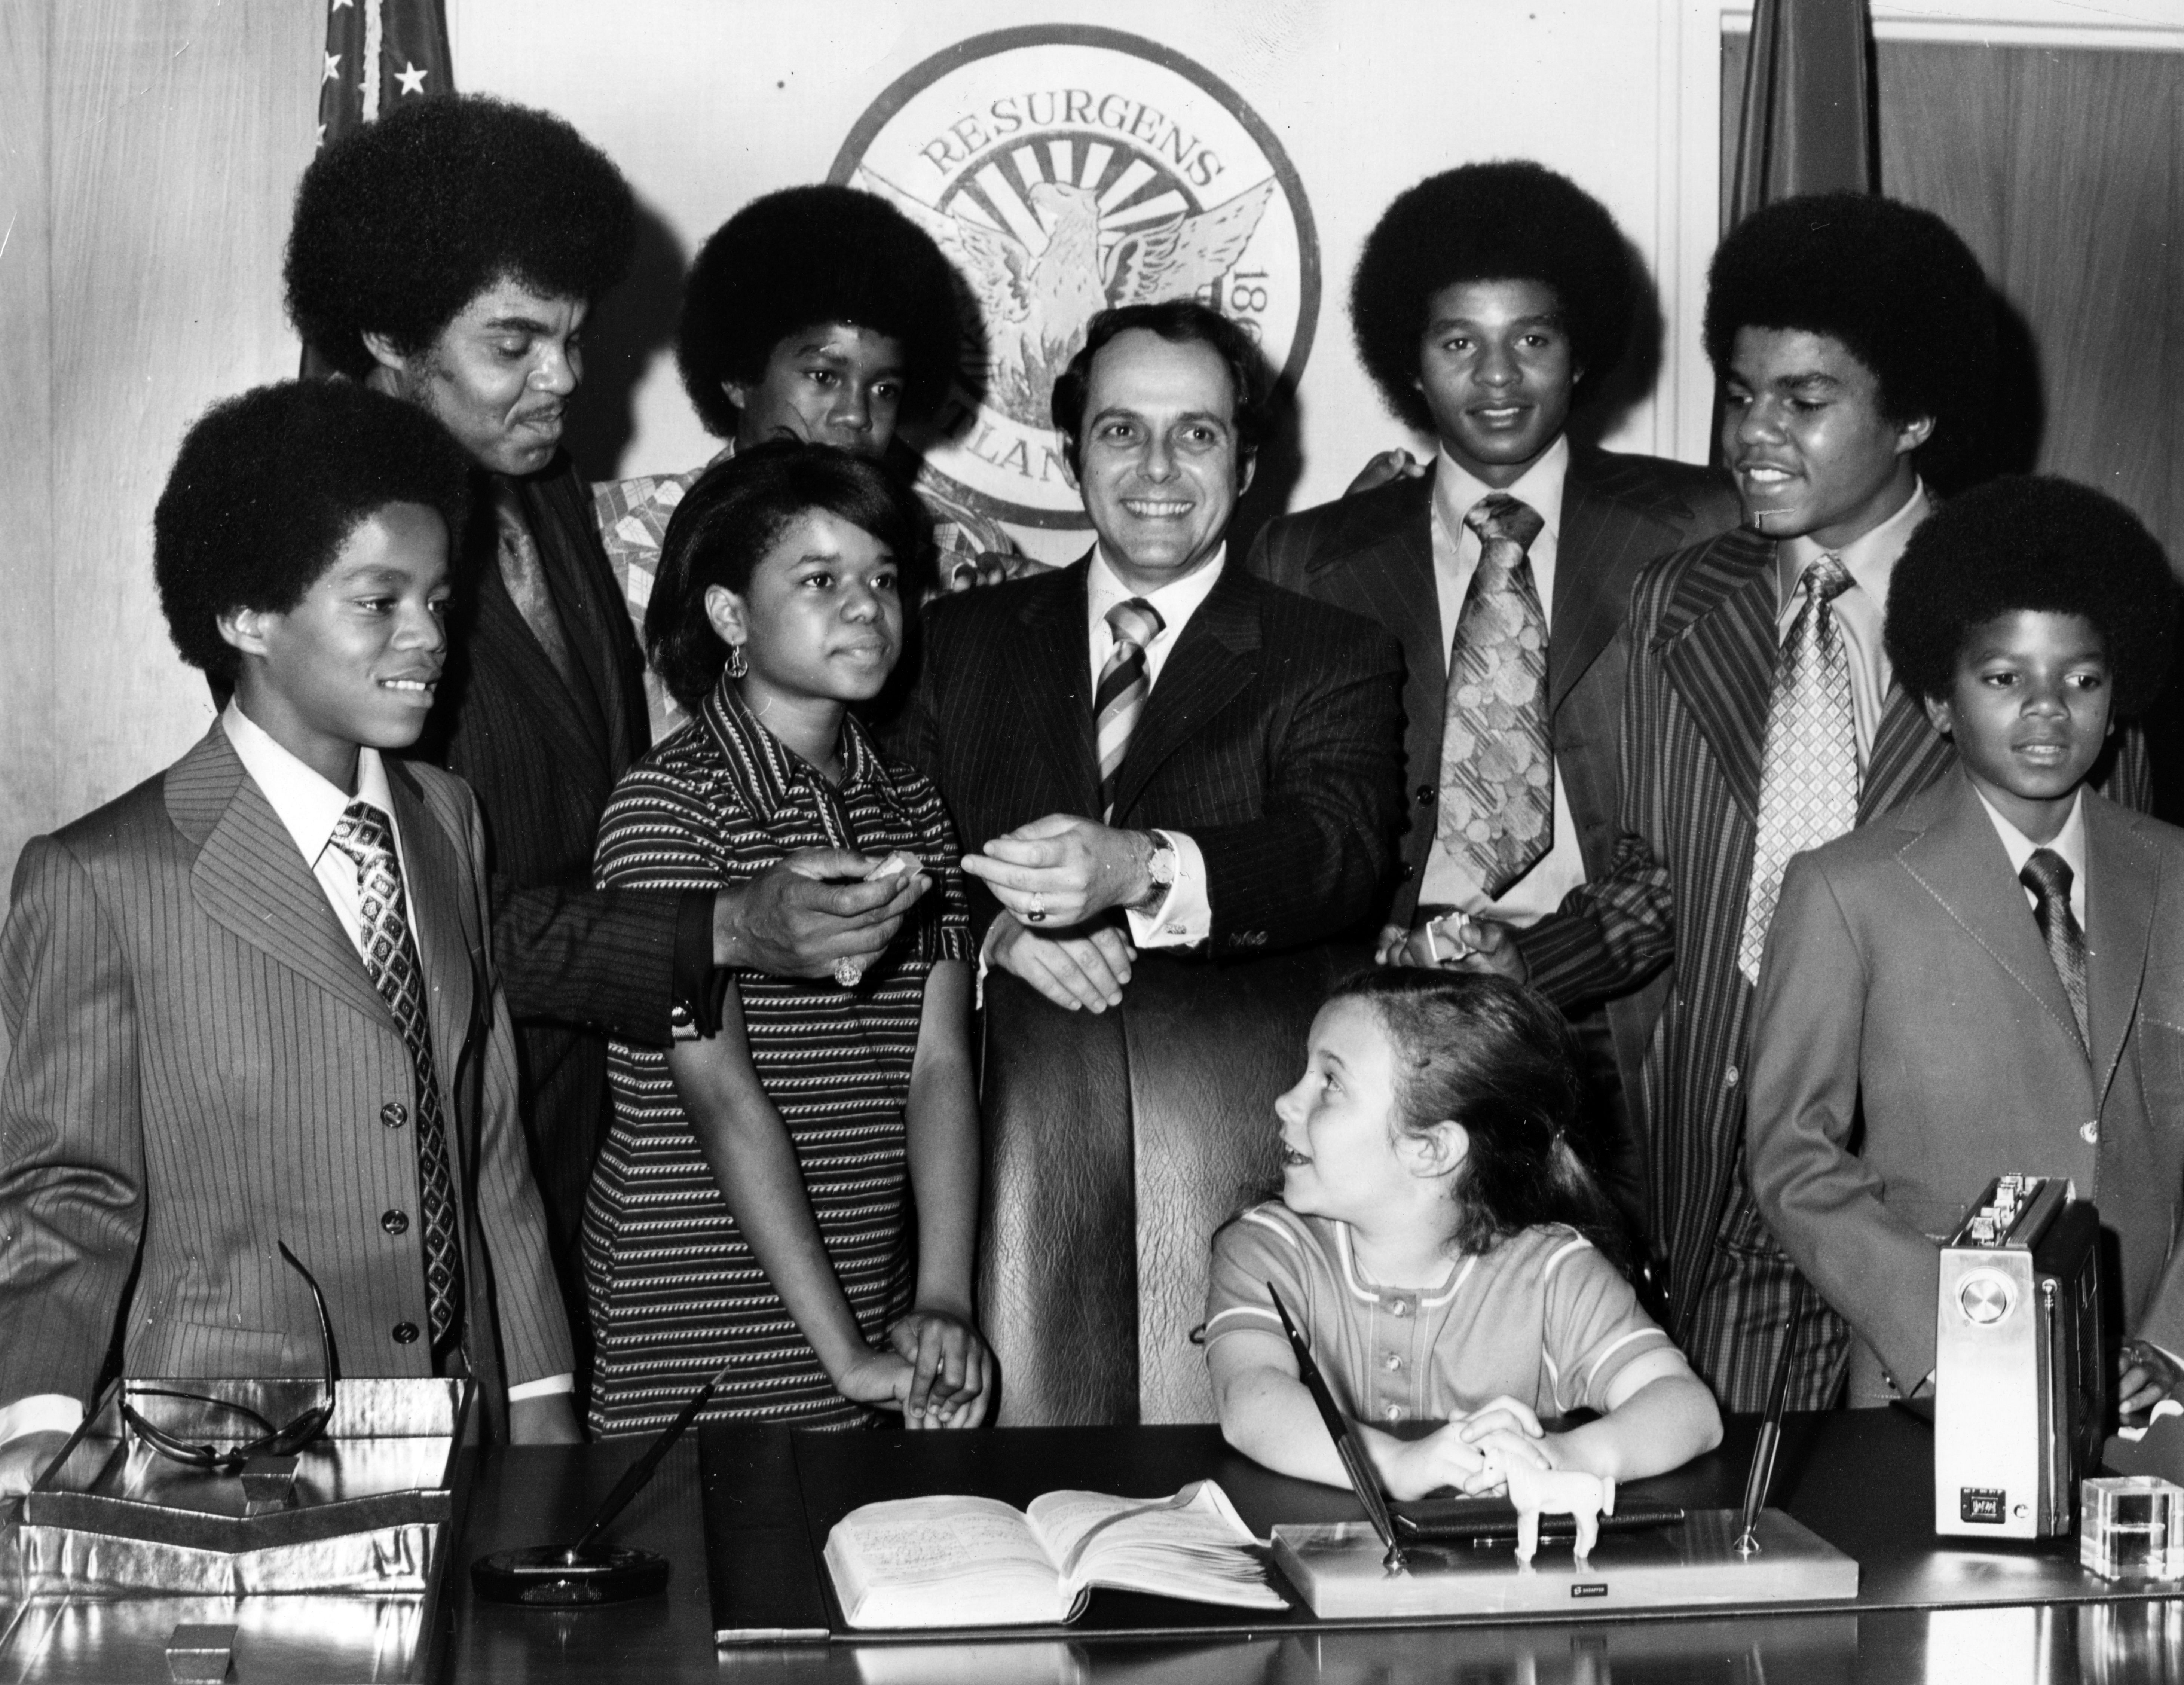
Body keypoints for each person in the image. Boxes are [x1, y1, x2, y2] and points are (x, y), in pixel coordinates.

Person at [1478, 192, 2151, 1411]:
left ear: (1915, 415)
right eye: (1738, 395)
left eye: (1802, 400)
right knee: (1736, 1554)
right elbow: (1652, 888)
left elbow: (2108, 950)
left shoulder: (2038, 632)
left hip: (1945, 1218)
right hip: (1719, 1185)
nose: (1750, 435)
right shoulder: (1676, 604)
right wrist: (1500, 973)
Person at [285, 98, 925, 1340]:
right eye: (514, 342)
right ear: (385, 330)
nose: (565, 379)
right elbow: (416, 926)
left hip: (587, 1132)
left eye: (572, 339)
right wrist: (728, 924)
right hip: (427, 1159)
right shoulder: (324, 562)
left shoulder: (540, 484)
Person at [0, 381, 577, 1495]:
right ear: (247, 617)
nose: (429, 639)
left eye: (438, 600)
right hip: (229, 1457)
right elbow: (66, 1193)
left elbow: (485, 1125)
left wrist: (540, 1395)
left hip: (464, 1439)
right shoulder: (102, 875)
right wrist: (34, 1420)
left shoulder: (446, 818)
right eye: (378, 602)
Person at [1247, 161, 1740, 1231]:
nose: (1497, 375)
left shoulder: (1702, 530)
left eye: (1532, 337)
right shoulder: (1307, 558)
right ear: (1408, 365)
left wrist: (1540, 965)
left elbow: (1719, 840)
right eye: (1457, 341)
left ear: (1579, 355)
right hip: (1388, 1050)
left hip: (1631, 1031)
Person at [1750, 476, 2184, 1411]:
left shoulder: (2175, 876)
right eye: (2003, 678)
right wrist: (1954, 1334)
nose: (2047, 709)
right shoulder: (1845, 887)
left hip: (2153, 1400)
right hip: (1937, 1393)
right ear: (1940, 701)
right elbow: (1793, 1156)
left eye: (2083, 678)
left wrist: (2169, 1341)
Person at [586, 441, 990, 1435]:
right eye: (818, 580)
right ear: (730, 616)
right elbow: (718, 1094)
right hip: (697, 1311)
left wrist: (940, 1301)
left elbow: (941, 1068)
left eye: (883, 580)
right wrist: (841, 1354)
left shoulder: (914, 807)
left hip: (869, 1297)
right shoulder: (665, 807)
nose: (865, 606)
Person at [899, 300, 1405, 1013]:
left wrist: (1141, 868)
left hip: (1227, 1096)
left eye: (1196, 434)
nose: (1157, 468)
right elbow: (892, 854)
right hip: (992, 1090)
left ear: (1247, 463)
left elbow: (1337, 859)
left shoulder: (1335, 651)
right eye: (1121, 431)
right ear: (1073, 456)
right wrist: (992, 934)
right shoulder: (952, 638)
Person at [1205, 969, 1721, 1498]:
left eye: (1330, 1083)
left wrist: (1564, 1457)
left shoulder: (1550, 1273)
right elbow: (1250, 1401)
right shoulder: (1266, 1250)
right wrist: (1393, 1466)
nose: (1286, 1102)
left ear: (1431, 1150)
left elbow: (1687, 1408)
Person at [596, 183, 1036, 744]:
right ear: (737, 374)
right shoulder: (615, 538)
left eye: (884, 388)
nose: (855, 415)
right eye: (824, 377)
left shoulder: (961, 548)